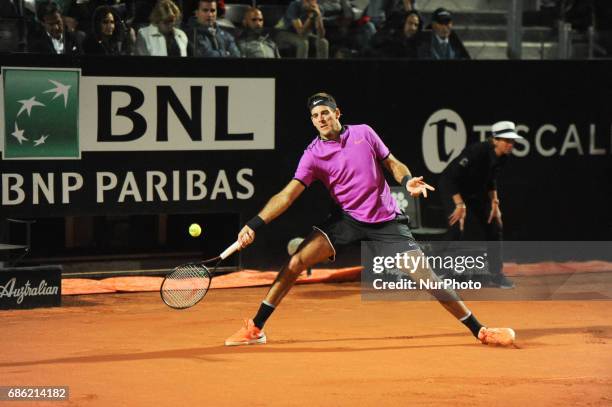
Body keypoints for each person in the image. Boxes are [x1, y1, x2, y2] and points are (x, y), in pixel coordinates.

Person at [224, 92, 516, 347]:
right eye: (315, 115)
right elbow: (287, 195)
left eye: (325, 112)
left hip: (386, 221)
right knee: (295, 263)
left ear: (337, 113)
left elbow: (391, 162)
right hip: (347, 220)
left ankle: (480, 330)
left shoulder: (364, 133)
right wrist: (254, 224)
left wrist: (407, 179)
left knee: (429, 279)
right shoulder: (312, 155)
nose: (321, 118)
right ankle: (256, 328)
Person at [438, 121, 523, 289]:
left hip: (474, 192)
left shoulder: (503, 156)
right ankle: (440, 272)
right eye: (507, 140)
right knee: (457, 226)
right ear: (495, 140)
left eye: (512, 141)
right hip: (452, 188)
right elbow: (451, 178)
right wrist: (459, 205)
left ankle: (496, 274)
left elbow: (491, 179)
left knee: (495, 225)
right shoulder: (476, 151)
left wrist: (495, 203)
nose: (510, 144)